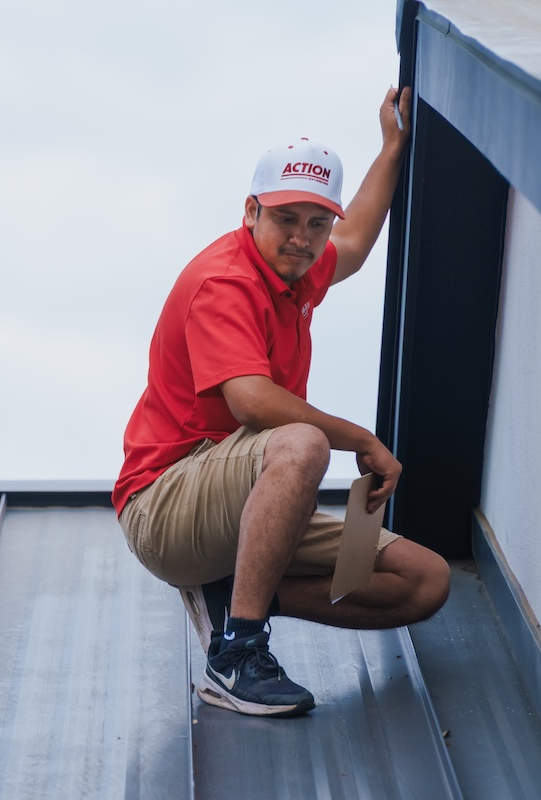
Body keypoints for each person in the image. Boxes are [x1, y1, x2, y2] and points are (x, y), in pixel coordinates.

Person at [112, 87, 450, 718]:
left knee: (423, 581)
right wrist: (365, 440)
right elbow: (252, 403)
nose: (302, 238)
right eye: (286, 219)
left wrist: (393, 147)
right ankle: (235, 654)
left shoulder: (299, 266)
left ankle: (237, 591)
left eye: (316, 222)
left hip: (238, 509)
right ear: (251, 212)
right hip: (166, 507)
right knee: (302, 442)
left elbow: (355, 240)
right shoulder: (227, 280)